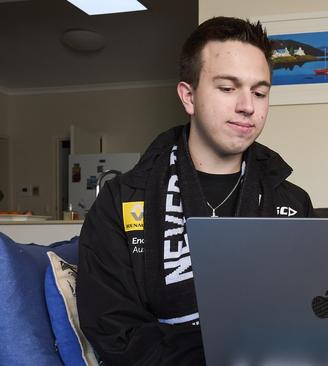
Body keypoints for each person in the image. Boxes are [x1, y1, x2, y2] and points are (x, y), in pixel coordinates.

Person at [77, 17, 313, 365]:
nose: (248, 105)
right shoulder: (120, 201)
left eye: (260, 92)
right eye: (228, 88)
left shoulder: (292, 202)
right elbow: (115, 332)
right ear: (188, 97)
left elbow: (308, 316)